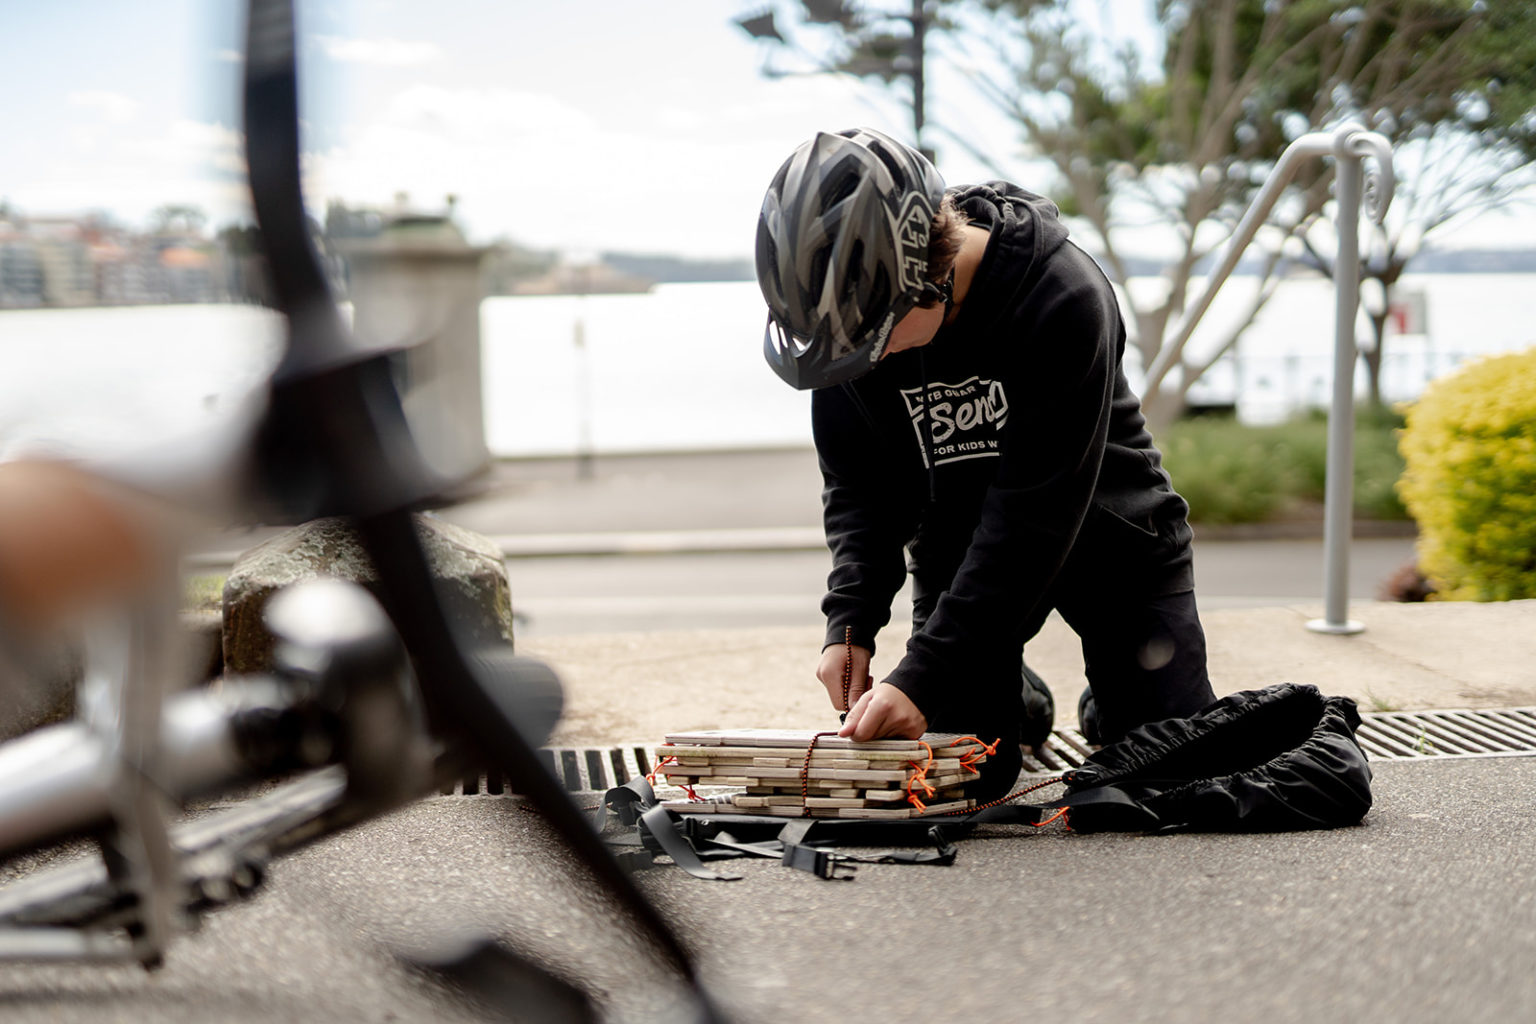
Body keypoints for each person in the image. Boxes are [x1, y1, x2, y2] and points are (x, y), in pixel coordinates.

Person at [755, 127, 1218, 799]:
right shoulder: (851, 320)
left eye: (871, 343)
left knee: (1160, 763)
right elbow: (860, 486)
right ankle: (1011, 693)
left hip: (1108, 535)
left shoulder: (1061, 293)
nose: (863, 362)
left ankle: (1115, 694)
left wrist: (924, 672)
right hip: (960, 547)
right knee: (969, 774)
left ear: (928, 273)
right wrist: (850, 622)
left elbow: (1034, 516)